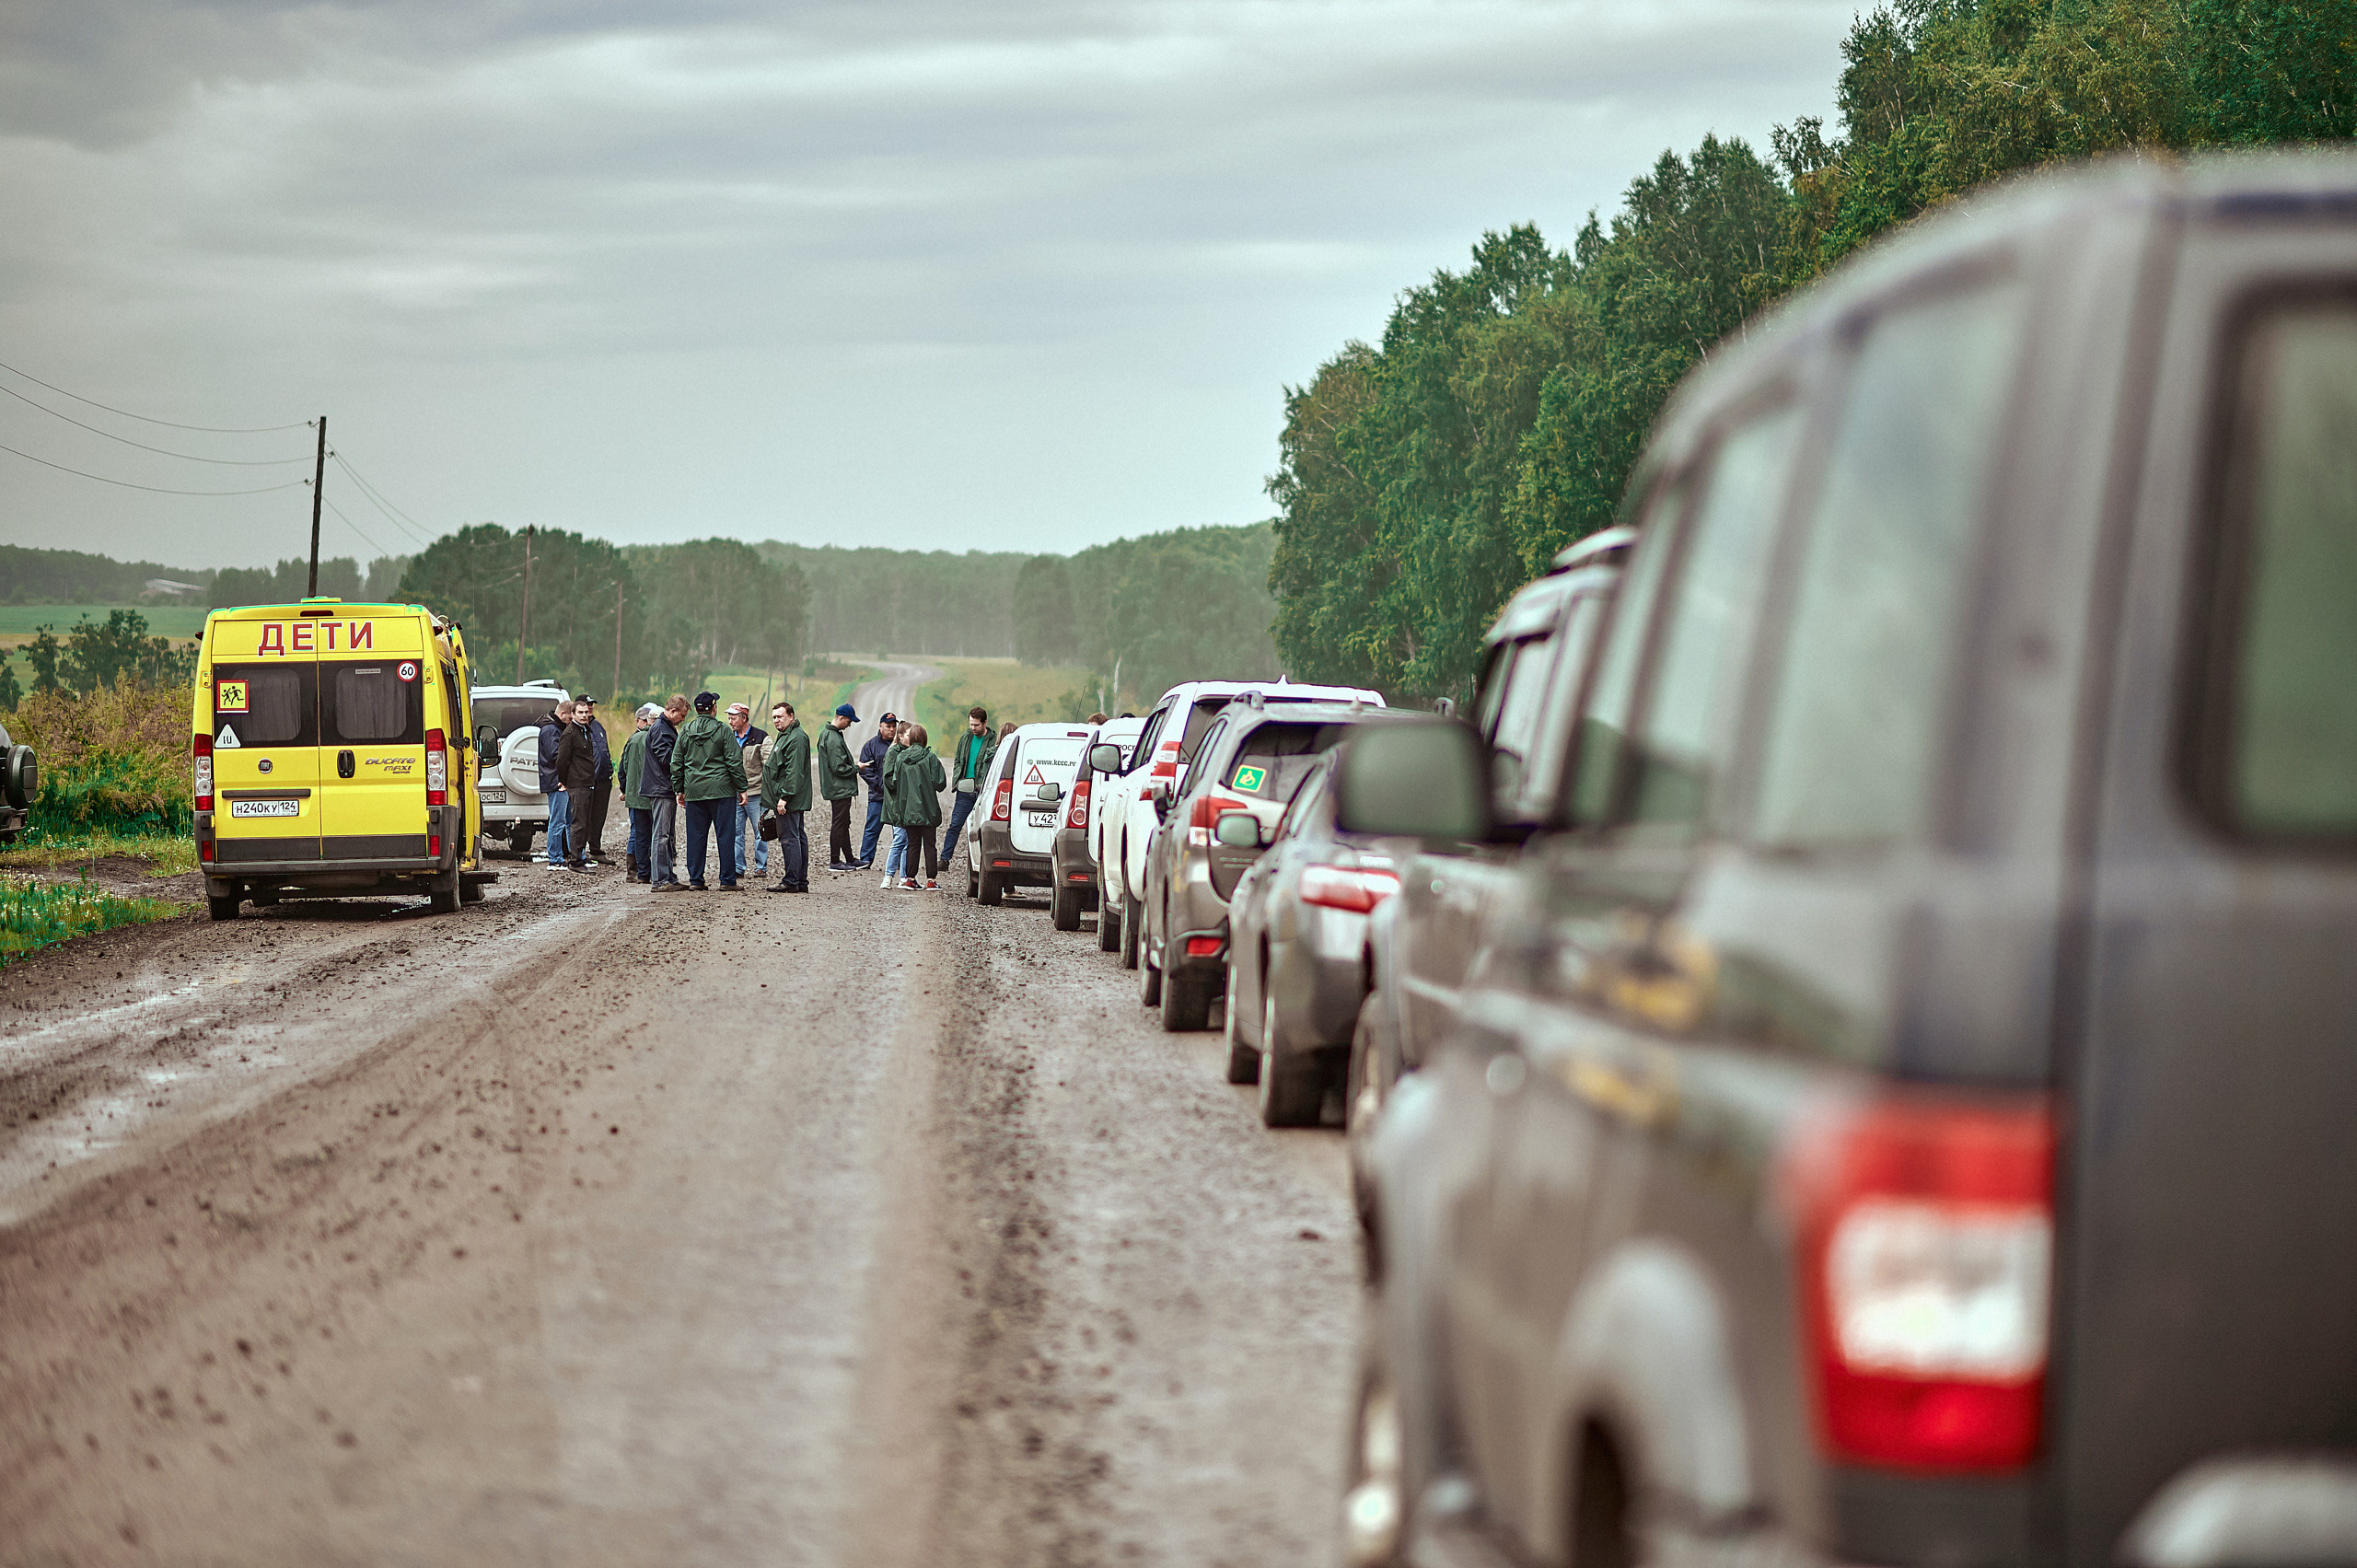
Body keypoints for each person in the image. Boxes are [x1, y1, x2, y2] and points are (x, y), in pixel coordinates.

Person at [672, 691, 747, 890]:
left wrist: (679, 788)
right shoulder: (723, 730)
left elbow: (676, 762)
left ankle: (696, 880)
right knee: (726, 836)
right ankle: (727, 880)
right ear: (713, 708)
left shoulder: (686, 731)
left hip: (694, 792)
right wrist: (742, 787)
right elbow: (734, 761)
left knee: (695, 836)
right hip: (722, 792)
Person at [888, 721, 946, 889]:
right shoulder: (930, 758)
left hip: (908, 810)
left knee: (912, 844)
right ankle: (931, 880)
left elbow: (895, 781)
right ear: (924, 739)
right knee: (930, 845)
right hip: (928, 809)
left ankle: (909, 878)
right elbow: (940, 783)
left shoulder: (900, 758)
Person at [762, 701, 812, 893]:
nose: (776, 720)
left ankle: (792, 881)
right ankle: (799, 881)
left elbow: (794, 772)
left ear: (791, 716)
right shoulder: (786, 736)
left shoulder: (797, 738)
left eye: (780, 716)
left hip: (790, 799)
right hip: (789, 798)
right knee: (796, 836)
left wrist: (784, 797)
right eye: (774, 717)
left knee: (790, 838)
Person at [940, 706, 994, 866]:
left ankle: (982, 862)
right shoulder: (965, 738)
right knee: (955, 825)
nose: (973, 728)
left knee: (981, 829)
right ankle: (944, 859)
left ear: (985, 722)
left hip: (982, 792)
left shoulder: (993, 740)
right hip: (964, 790)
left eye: (976, 725)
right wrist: (958, 781)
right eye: (971, 724)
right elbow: (958, 760)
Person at [644, 694, 688, 891]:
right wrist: (684, 760)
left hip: (664, 787)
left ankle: (668, 876)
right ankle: (660, 880)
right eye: (682, 715)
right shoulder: (661, 729)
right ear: (672, 711)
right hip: (661, 788)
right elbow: (666, 758)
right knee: (661, 835)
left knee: (667, 835)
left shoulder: (666, 727)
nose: (683, 720)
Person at [726, 702, 770, 880]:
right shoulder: (727, 737)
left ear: (744, 718)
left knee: (760, 831)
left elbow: (769, 764)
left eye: (733, 718)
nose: (730, 721)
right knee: (735, 833)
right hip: (734, 794)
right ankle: (738, 867)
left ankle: (761, 867)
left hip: (756, 793)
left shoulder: (761, 737)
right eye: (729, 718)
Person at [552, 702, 598, 873]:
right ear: (573, 714)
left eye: (586, 712)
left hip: (587, 783)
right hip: (576, 784)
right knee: (578, 823)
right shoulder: (570, 733)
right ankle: (575, 861)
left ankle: (580, 857)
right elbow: (562, 760)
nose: (584, 715)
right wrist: (565, 781)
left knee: (585, 822)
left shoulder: (586, 731)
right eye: (580, 712)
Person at [817, 703, 859, 868]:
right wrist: (857, 768)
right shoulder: (833, 738)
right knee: (839, 824)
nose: (850, 725)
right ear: (841, 718)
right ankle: (834, 861)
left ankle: (849, 858)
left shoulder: (828, 734)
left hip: (836, 788)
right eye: (849, 721)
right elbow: (838, 767)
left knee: (843, 822)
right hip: (839, 788)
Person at [619, 703, 656, 882]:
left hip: (635, 795)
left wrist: (625, 789)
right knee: (656, 833)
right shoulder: (657, 737)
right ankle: (648, 871)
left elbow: (623, 768)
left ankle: (640, 873)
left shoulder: (633, 740)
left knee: (639, 834)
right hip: (653, 794)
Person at [855, 712, 896, 869]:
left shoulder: (900, 745)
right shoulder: (870, 746)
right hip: (877, 795)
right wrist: (880, 785)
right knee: (872, 828)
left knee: (900, 831)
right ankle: (865, 859)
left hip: (896, 797)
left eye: (894, 726)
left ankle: (900, 861)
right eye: (888, 727)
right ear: (880, 727)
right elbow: (865, 770)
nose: (891, 730)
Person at [539, 698, 575, 869]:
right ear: (562, 714)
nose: (570, 723)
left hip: (560, 780)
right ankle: (555, 858)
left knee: (569, 820)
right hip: (556, 781)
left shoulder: (554, 729)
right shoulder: (550, 730)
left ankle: (575, 856)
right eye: (569, 719)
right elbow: (555, 755)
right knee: (558, 821)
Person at [578, 697, 612, 866]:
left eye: (591, 706)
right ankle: (579, 852)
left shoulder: (597, 726)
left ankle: (596, 849)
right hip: (586, 780)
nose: (590, 709)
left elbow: (604, 750)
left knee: (599, 817)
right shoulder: (577, 729)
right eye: (585, 706)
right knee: (583, 818)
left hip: (603, 780)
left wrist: (610, 772)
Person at [878, 719, 909, 889]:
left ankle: (904, 876)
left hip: (907, 803)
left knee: (907, 840)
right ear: (901, 736)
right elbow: (888, 779)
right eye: (908, 735)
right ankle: (889, 875)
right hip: (896, 803)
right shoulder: (893, 753)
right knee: (900, 838)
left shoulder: (908, 751)